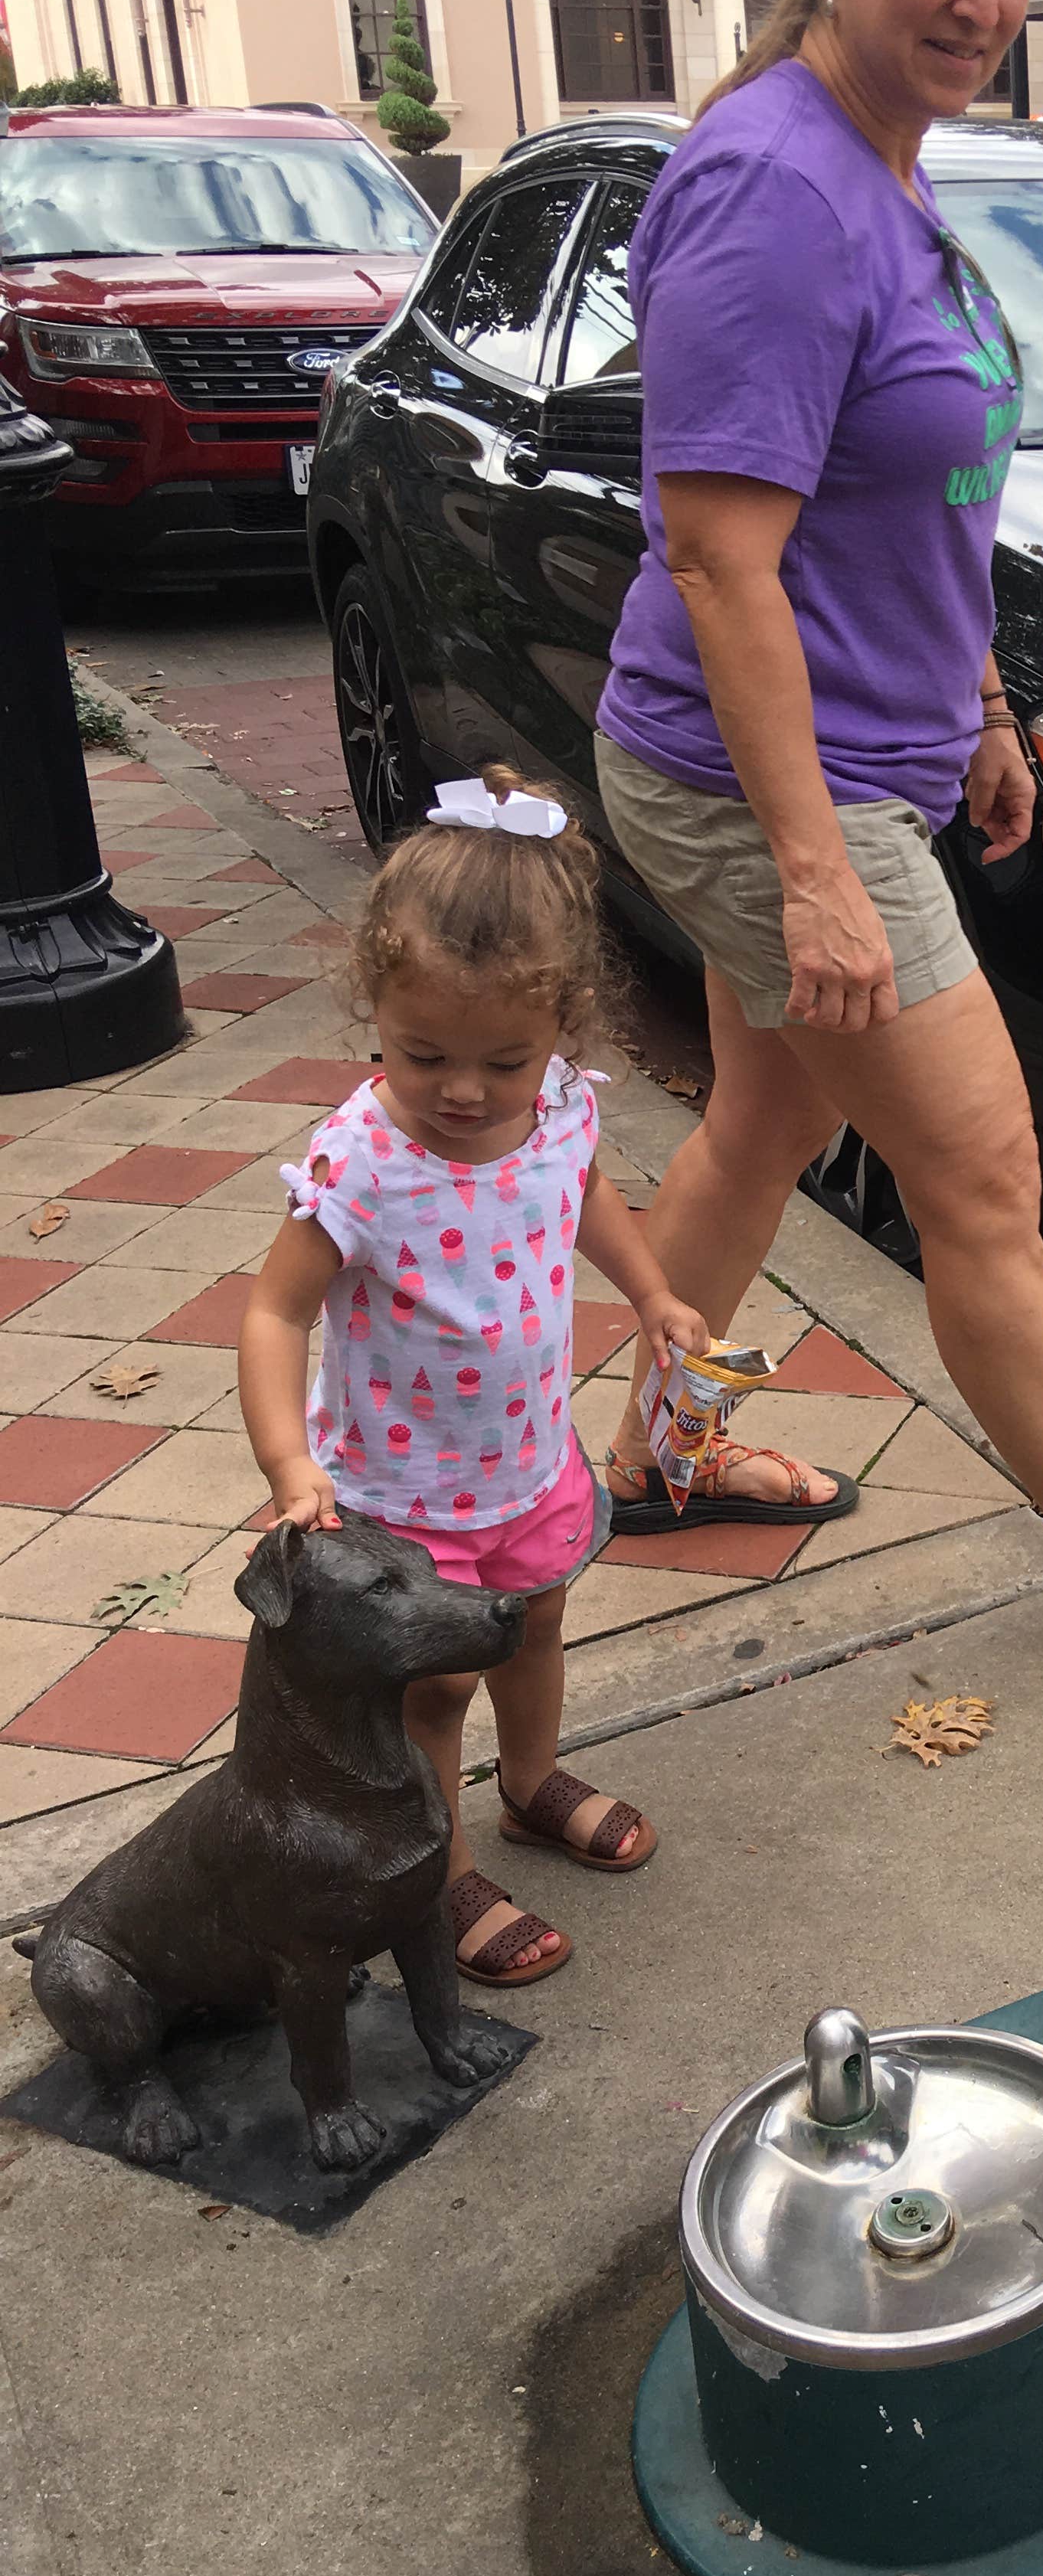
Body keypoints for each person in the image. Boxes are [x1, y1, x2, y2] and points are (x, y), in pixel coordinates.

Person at [590, 0, 1043, 1680]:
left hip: (861, 762)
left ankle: (655, 1461)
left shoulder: (885, 160)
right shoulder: (776, 184)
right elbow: (723, 561)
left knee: (762, 1121)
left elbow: (915, 501)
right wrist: (822, 874)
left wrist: (983, 704)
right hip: (759, 781)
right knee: (985, 1173)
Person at [237, 774, 714, 1987]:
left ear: (563, 1026)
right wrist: (292, 1467)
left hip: (528, 1463)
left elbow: (586, 1194)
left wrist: (652, 1291)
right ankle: (438, 1875)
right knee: (438, 1682)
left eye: (502, 1059)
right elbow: (274, 1308)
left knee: (540, 1623)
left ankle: (532, 1781)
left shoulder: (554, 1106)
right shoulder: (366, 1158)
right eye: (422, 1053)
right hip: (399, 1498)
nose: (462, 1089)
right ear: (376, 1011)